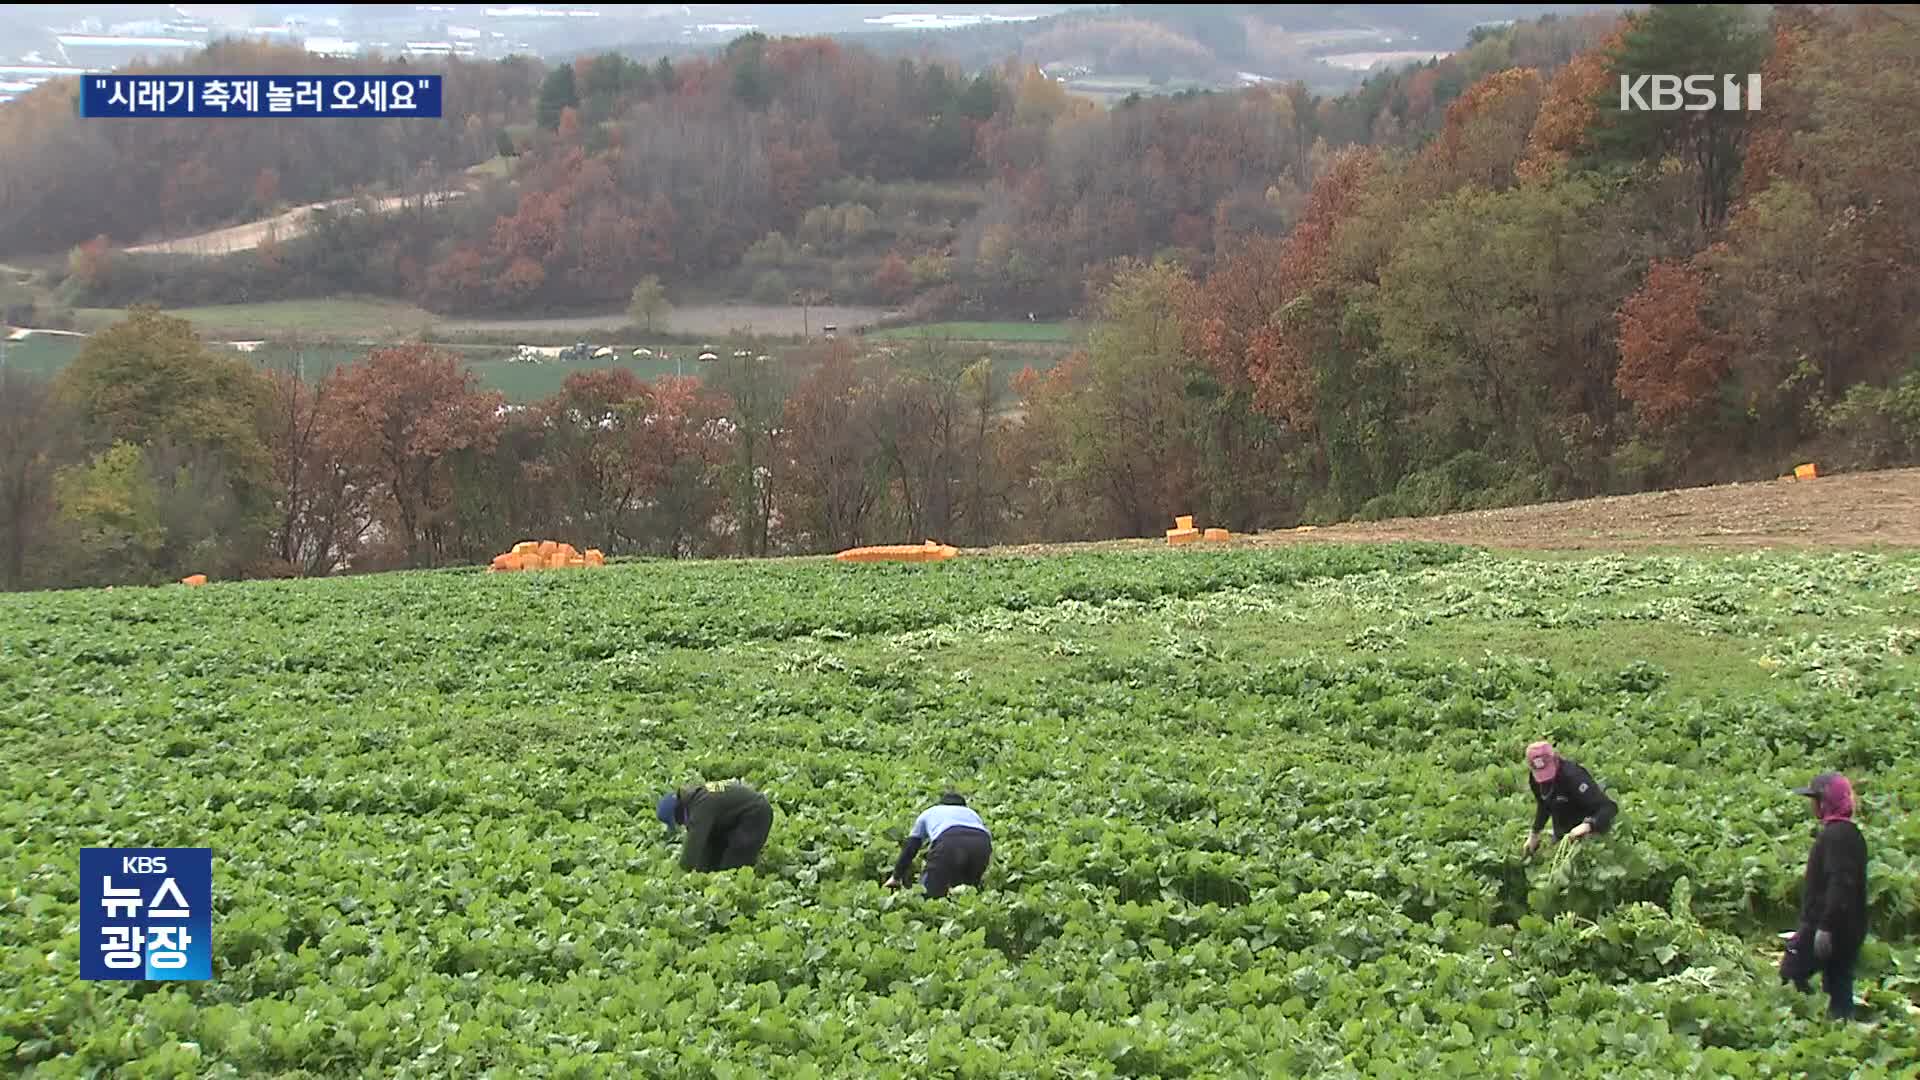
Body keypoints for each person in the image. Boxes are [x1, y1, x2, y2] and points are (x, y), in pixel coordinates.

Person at [1780, 772, 1869, 1020]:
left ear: (1825, 802)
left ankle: (1802, 1024)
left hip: (1828, 926)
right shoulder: (1852, 834)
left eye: (1815, 800)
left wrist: (1825, 926)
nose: (1812, 807)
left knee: (1790, 975)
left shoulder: (1835, 837)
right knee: (1838, 986)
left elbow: (1841, 883)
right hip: (1851, 927)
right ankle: (1840, 1030)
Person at [884, 792, 992, 898]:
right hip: (982, 843)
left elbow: (910, 847)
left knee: (927, 893)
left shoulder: (930, 812)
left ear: (941, 804)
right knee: (966, 892)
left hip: (949, 840)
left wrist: (896, 877)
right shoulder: (972, 813)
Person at [656, 779, 774, 873]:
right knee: (710, 860)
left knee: (731, 867)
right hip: (737, 818)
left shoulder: (701, 806)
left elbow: (694, 844)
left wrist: (681, 873)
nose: (681, 824)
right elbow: (706, 846)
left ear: (679, 811)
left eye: (679, 821)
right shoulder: (696, 799)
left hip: (755, 814)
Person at [1523, 741, 1619, 855]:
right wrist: (1534, 833)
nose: (1544, 779)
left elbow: (1609, 807)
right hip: (1563, 835)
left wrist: (1588, 825)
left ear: (1555, 758)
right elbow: (1544, 805)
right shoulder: (1535, 779)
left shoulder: (1573, 776)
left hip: (1592, 834)